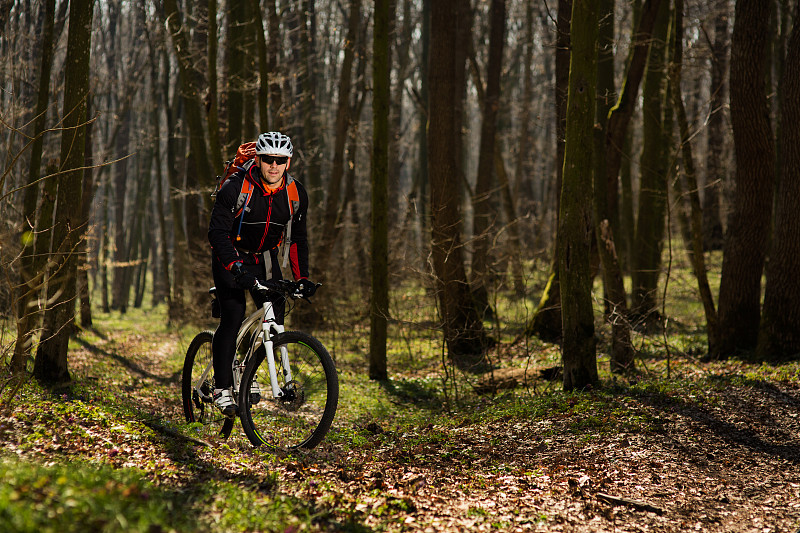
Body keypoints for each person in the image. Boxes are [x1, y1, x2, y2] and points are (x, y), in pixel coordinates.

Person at [208, 131, 315, 416]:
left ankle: (248, 372)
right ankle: (221, 386)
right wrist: (235, 267)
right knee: (233, 314)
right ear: (258, 159)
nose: (274, 166)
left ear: (288, 162)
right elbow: (216, 233)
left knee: (274, 313)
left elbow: (297, 240)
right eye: (268, 159)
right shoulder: (235, 187)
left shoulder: (295, 193)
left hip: (264, 258)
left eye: (280, 160)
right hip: (229, 256)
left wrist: (302, 278)